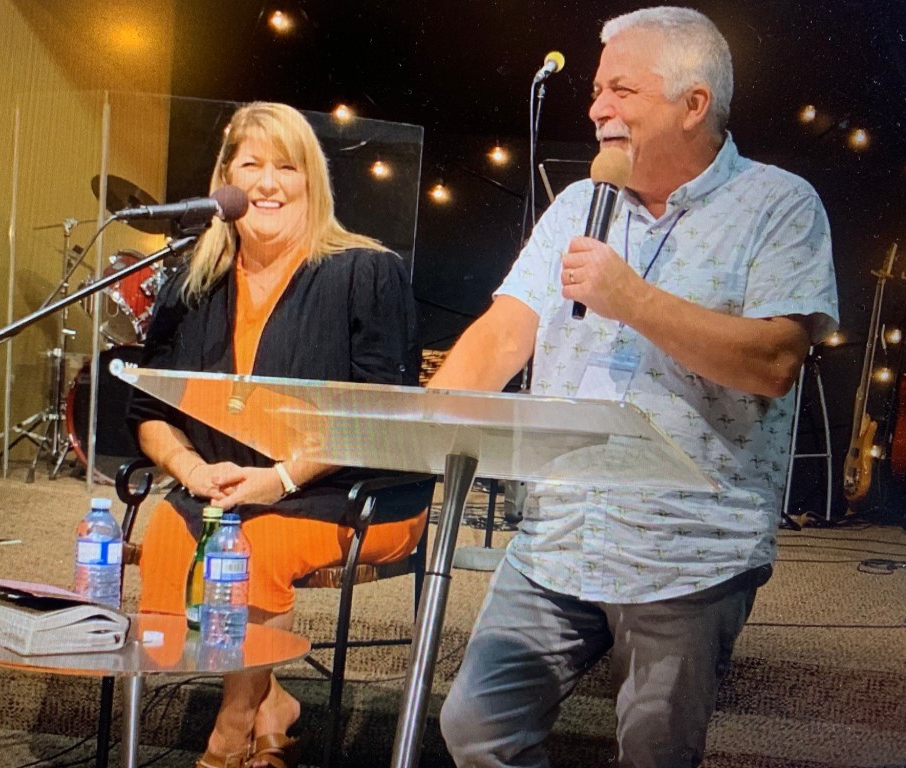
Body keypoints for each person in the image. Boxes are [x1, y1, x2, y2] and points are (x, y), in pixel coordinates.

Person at [433, 8, 838, 768]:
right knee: (477, 726)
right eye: (595, 92)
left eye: (621, 90)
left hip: (688, 552)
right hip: (558, 535)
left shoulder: (778, 204)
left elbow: (775, 361)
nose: (597, 109)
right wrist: (425, 421)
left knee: (654, 753)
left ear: (693, 104)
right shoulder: (575, 208)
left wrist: (631, 299)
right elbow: (501, 334)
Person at [128, 101, 427, 768]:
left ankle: (230, 732)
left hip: (353, 489)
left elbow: (380, 415)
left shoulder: (364, 271)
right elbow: (147, 410)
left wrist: (283, 477)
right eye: (251, 165)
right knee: (170, 538)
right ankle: (273, 705)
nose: (267, 183)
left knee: (250, 546)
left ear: (311, 181)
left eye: (287, 167)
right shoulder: (193, 283)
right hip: (228, 487)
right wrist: (190, 470)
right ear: (225, 180)